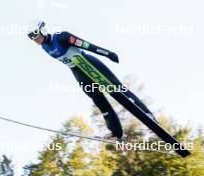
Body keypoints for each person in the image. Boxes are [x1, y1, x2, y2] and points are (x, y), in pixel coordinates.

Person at [27, 20, 155, 140]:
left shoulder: (61, 37)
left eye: (35, 35)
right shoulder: (44, 47)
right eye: (31, 38)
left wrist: (108, 54)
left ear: (42, 30)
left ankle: (146, 113)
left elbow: (87, 45)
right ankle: (116, 132)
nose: (35, 39)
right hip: (77, 72)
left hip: (88, 62)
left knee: (116, 88)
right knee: (98, 100)